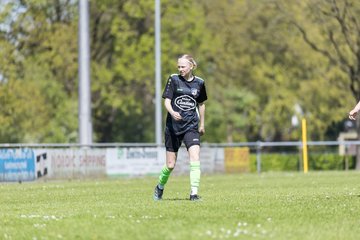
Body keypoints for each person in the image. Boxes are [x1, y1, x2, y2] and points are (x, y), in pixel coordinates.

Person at [153, 54, 208, 201]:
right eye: (178, 66)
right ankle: (160, 187)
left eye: (183, 66)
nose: (180, 69)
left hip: (191, 126)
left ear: (191, 66)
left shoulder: (200, 83)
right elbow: (167, 102)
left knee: (195, 157)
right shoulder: (174, 79)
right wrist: (172, 112)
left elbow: (201, 104)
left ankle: (194, 194)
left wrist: (202, 124)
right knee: (170, 165)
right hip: (173, 127)